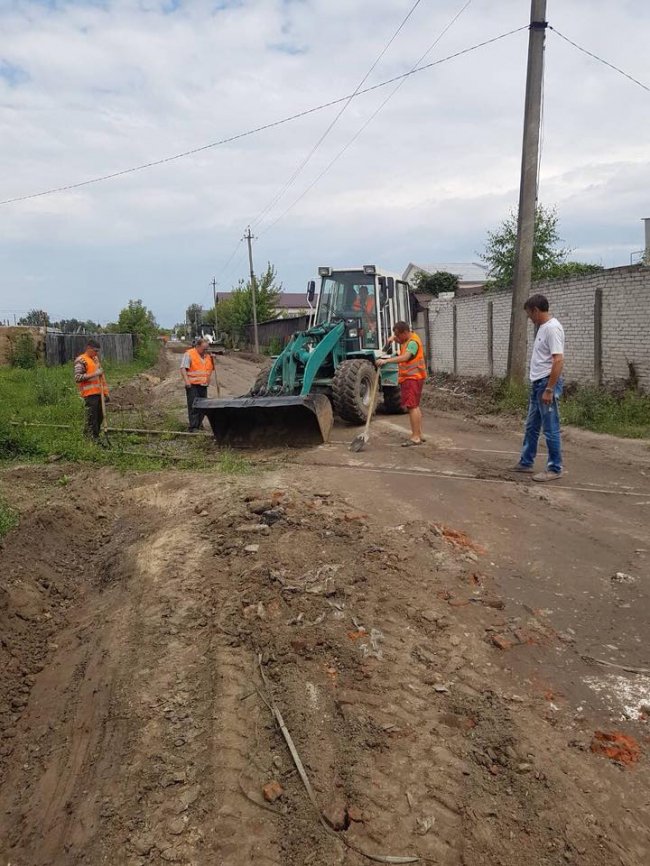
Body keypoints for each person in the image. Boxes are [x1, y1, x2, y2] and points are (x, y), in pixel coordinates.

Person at [511, 294, 565, 482]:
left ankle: (555, 468)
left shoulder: (552, 329)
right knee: (532, 426)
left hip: (545, 384)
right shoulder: (542, 328)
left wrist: (549, 389)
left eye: (529, 314)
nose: (529, 318)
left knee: (550, 428)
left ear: (535, 310)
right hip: (538, 384)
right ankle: (526, 462)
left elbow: (558, 360)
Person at [377, 321, 426, 446]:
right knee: (415, 406)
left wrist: (386, 361)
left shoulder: (413, 343)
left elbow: (406, 357)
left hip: (412, 378)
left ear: (405, 332)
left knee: (412, 407)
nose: (397, 338)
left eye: (398, 335)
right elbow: (402, 342)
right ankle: (419, 434)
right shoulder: (408, 340)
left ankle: (415, 437)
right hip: (413, 377)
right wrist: (393, 339)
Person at [74, 339, 109, 439]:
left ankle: (94, 436)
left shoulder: (94, 360)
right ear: (89, 348)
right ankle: (91, 438)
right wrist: (95, 374)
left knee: (99, 417)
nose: (96, 353)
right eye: (95, 351)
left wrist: (106, 393)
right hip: (89, 394)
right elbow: (77, 378)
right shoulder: (81, 360)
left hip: (99, 393)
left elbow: (101, 378)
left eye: (98, 351)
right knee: (92, 418)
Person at [180, 338, 217, 432]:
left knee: (203, 407)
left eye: (207, 349)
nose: (205, 350)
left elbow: (209, 369)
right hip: (192, 385)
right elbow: (183, 368)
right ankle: (193, 427)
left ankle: (199, 424)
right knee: (194, 406)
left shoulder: (207, 356)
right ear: (197, 346)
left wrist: (213, 360)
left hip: (203, 385)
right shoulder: (189, 354)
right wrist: (187, 381)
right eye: (204, 348)